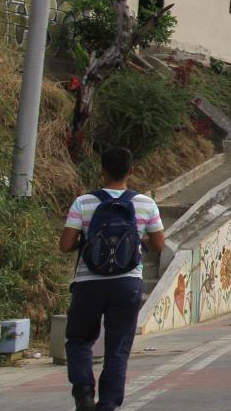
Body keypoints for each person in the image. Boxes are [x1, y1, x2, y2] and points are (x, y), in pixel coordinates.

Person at [60, 147, 165, 411]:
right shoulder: (145, 204)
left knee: (79, 340)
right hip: (127, 283)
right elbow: (160, 245)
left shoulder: (83, 202)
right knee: (118, 347)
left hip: (88, 284)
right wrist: (134, 244)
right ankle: (107, 405)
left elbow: (65, 245)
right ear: (131, 171)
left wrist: (88, 242)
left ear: (102, 170)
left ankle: (84, 395)